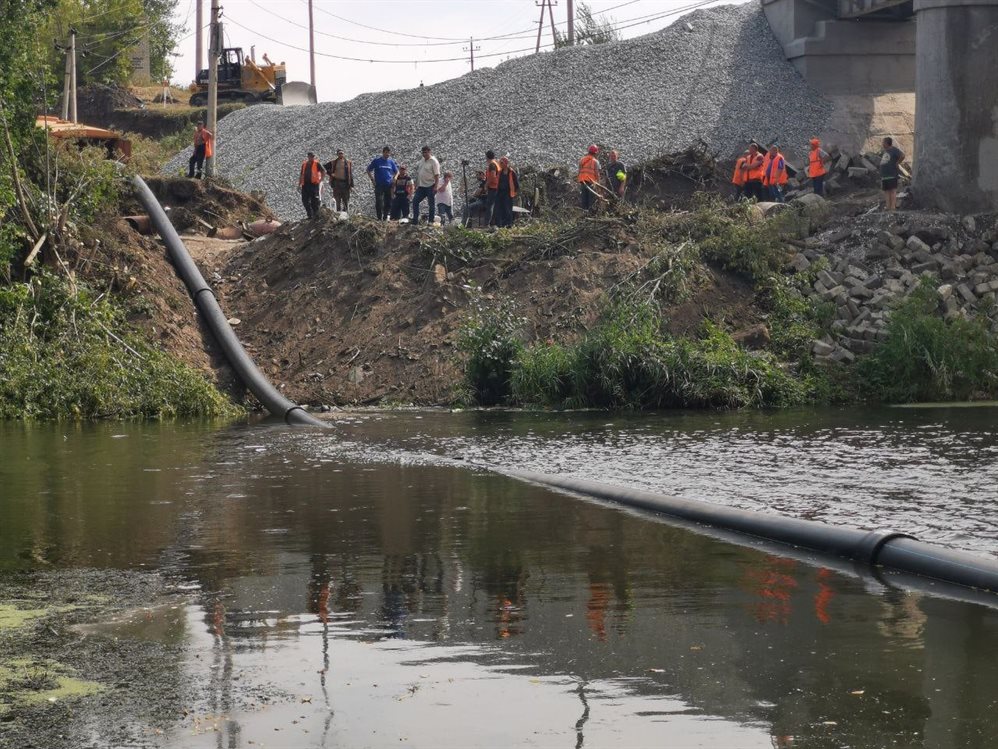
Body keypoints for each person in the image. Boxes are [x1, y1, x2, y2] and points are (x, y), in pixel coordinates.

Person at [366, 146, 399, 220]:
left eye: (389, 153)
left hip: (388, 185)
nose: (387, 154)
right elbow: (368, 170)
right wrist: (372, 179)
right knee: (379, 201)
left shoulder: (391, 162)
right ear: (383, 152)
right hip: (379, 185)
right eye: (386, 152)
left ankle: (385, 217)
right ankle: (379, 217)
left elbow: (397, 171)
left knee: (388, 202)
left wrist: (395, 177)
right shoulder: (377, 161)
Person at [411, 145, 440, 224]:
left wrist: (436, 186)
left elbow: (437, 175)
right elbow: (419, 172)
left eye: (426, 152)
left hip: (430, 185)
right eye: (423, 153)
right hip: (421, 186)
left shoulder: (434, 161)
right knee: (415, 201)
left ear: (429, 152)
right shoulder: (422, 160)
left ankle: (430, 221)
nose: (424, 154)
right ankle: (415, 220)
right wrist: (416, 184)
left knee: (431, 204)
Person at [880, 136, 905, 212]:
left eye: (883, 142)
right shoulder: (886, 151)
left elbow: (903, 155)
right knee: (886, 191)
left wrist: (897, 162)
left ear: (887, 143)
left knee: (893, 191)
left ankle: (893, 207)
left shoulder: (894, 150)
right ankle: (888, 207)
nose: (882, 144)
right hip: (885, 176)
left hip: (892, 174)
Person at [493, 157, 519, 228]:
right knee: (499, 208)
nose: (500, 164)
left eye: (502, 163)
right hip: (500, 193)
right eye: (500, 163)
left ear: (506, 164)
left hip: (508, 193)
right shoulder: (499, 172)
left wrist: (515, 192)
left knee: (508, 209)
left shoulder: (511, 172)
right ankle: (500, 224)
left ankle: (508, 224)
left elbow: (516, 183)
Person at [298, 151, 324, 219]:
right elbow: (301, 174)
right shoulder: (304, 164)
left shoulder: (317, 163)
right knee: (305, 200)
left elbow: (323, 171)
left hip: (314, 185)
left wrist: (321, 179)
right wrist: (299, 184)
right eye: (310, 156)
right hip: (305, 185)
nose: (311, 158)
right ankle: (310, 215)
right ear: (308, 157)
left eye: (312, 156)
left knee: (314, 201)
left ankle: (316, 215)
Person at [579, 144, 600, 210]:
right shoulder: (595, 161)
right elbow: (597, 173)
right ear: (595, 153)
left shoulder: (582, 160)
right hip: (591, 183)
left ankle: (583, 213)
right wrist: (598, 183)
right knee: (591, 200)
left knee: (584, 199)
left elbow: (579, 171)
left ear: (588, 151)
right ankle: (590, 213)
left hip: (582, 182)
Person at [484, 150, 501, 224]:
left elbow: (492, 176)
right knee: (495, 206)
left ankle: (487, 223)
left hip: (493, 187)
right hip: (497, 187)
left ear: (487, 157)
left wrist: (486, 185)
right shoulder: (496, 163)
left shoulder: (492, 165)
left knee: (489, 206)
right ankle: (495, 223)